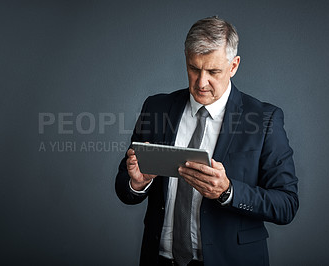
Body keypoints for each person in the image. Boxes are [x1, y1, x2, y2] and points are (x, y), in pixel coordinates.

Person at [115, 16, 298, 266]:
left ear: (233, 66)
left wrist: (228, 191)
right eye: (194, 68)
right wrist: (137, 184)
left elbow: (287, 204)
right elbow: (124, 186)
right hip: (158, 260)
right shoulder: (156, 108)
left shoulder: (265, 119)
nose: (201, 83)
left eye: (213, 71)